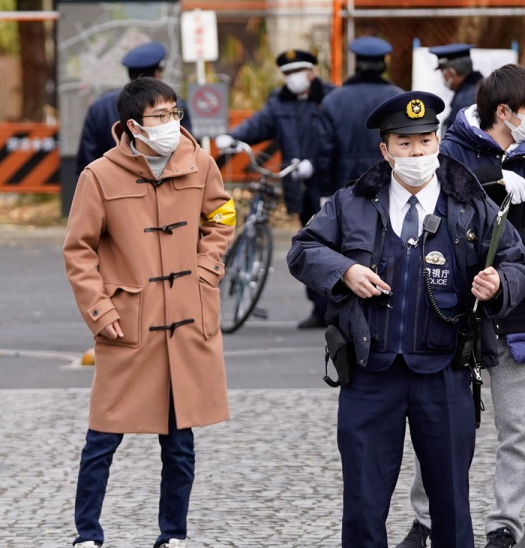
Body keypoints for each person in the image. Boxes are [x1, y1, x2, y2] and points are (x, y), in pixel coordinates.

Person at [288, 91, 525, 548]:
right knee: (364, 492)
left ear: (439, 142)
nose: (418, 151)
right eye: (406, 143)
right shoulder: (352, 202)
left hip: (444, 370)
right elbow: (302, 249)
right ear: (386, 149)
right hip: (370, 372)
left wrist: (498, 285)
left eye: (426, 141)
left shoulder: (472, 204)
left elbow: (518, 262)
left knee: (449, 491)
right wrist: (344, 272)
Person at [393, 64, 525, 548]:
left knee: (519, 428)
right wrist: (494, 180)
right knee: (443, 422)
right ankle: (425, 520)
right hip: (456, 308)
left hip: (518, 308)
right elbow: (436, 201)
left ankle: (503, 529)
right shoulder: (449, 149)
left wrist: (511, 252)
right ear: (504, 111)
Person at [63, 77, 235, 548]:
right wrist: (99, 310)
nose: (170, 124)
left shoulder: (200, 162)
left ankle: (171, 541)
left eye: (174, 113)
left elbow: (221, 217)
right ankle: (86, 540)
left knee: (179, 443)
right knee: (102, 439)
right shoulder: (99, 176)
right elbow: (79, 250)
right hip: (127, 325)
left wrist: (205, 272)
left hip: (185, 322)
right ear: (133, 125)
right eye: (159, 116)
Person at [218, 49, 335, 329]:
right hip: (297, 183)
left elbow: (336, 138)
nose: (292, 79)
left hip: (328, 183)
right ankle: (320, 310)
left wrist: (315, 163)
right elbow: (259, 124)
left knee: (334, 245)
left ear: (312, 72)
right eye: (287, 74)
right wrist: (233, 138)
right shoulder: (279, 101)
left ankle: (336, 309)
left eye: (298, 72)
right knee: (309, 244)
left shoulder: (331, 98)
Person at [76, 41, 193, 174]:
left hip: (110, 186)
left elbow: (86, 159)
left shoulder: (99, 107)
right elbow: (187, 152)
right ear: (157, 74)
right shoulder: (174, 106)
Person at [317, 36, 403, 194]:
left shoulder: (333, 100)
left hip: (344, 183)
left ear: (356, 64)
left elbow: (324, 153)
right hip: (389, 181)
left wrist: (324, 192)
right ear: (383, 65)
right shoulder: (399, 98)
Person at [428, 43, 483, 137]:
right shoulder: (483, 88)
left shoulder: (465, 101)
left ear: (451, 72)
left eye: (443, 72)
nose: (444, 78)